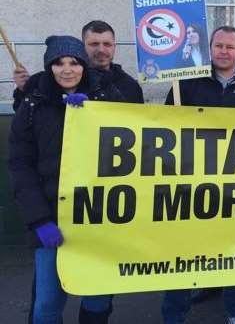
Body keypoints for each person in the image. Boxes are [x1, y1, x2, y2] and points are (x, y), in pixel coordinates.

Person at [9, 35, 123, 324]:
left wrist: (99, 112)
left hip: (98, 217)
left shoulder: (104, 97)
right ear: (50, 68)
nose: (67, 69)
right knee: (47, 302)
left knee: (97, 296)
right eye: (59, 63)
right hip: (51, 220)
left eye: (74, 62)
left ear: (84, 66)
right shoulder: (32, 107)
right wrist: (39, 221)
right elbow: (21, 166)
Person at [163, 26, 235, 324]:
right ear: (210, 48)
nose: (224, 51)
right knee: (183, 252)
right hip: (192, 183)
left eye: (230, 47)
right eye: (219, 46)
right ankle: (174, 314)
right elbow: (162, 125)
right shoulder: (186, 83)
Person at [13, 20, 143, 110]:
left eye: (107, 44)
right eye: (94, 44)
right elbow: (23, 118)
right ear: (82, 46)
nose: (101, 50)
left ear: (114, 47)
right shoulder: (53, 81)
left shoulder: (130, 86)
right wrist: (23, 90)